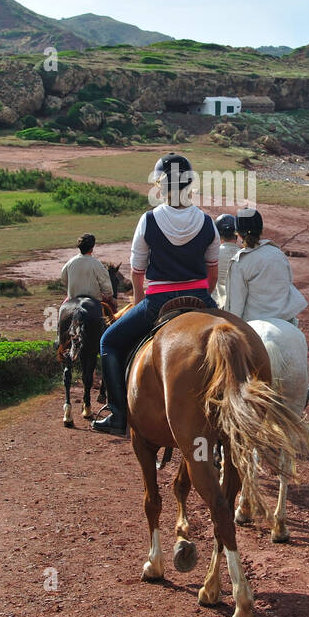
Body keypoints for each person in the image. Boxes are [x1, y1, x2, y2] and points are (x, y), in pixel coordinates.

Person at [92, 153, 220, 435]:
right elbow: (212, 274)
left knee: (109, 342)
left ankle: (118, 416)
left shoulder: (148, 220)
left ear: (161, 186)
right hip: (201, 299)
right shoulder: (208, 222)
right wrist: (202, 298)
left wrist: (140, 304)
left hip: (158, 302)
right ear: (190, 185)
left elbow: (138, 273)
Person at [225, 206, 309, 405]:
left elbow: (235, 307)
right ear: (261, 229)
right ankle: (306, 386)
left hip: (253, 324)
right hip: (285, 320)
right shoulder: (278, 254)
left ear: (238, 234)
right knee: (297, 340)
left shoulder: (240, 262)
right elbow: (287, 285)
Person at [59, 234, 116, 312]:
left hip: (73, 298)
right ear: (92, 248)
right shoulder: (97, 264)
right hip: (94, 300)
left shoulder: (70, 262)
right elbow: (106, 285)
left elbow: (64, 279)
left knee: (61, 311)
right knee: (113, 312)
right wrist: (109, 296)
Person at [213, 213, 241, 306]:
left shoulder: (212, 254)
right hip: (240, 305)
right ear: (236, 233)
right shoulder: (245, 255)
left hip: (217, 305)